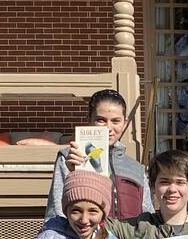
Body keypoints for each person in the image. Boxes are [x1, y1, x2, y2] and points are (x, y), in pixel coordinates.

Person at [47, 88, 153, 220]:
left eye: (115, 121)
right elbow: (56, 213)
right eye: (101, 120)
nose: (108, 128)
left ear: (125, 124)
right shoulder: (72, 157)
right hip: (84, 238)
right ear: (89, 120)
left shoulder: (136, 168)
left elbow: (148, 216)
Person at [110, 150, 188, 239]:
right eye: (164, 182)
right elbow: (98, 224)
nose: (172, 189)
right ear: (153, 186)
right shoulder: (134, 228)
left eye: (180, 182)